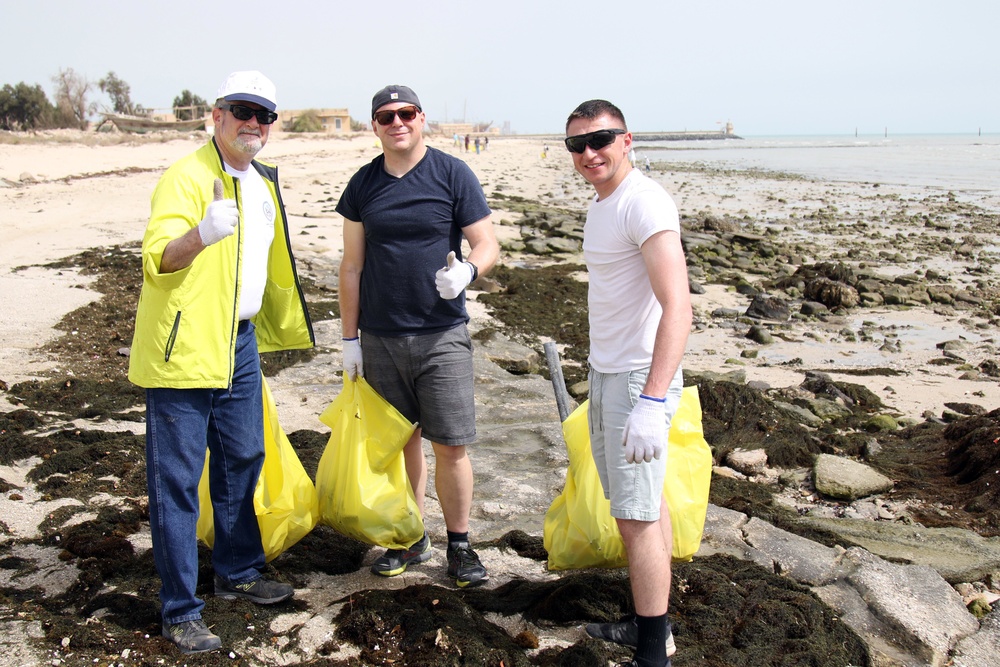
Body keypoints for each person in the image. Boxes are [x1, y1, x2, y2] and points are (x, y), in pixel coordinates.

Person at [128, 70, 314, 654]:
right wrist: (202, 236)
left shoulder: (262, 184)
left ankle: (238, 572)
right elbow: (158, 259)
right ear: (217, 114)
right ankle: (180, 609)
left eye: (265, 115)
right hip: (183, 346)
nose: (253, 123)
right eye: (242, 110)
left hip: (239, 343)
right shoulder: (187, 178)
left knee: (243, 456)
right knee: (177, 480)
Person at [337, 85, 500, 588]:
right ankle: (409, 536)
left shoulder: (452, 173)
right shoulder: (363, 185)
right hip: (381, 337)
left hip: (441, 334)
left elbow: (487, 242)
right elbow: (351, 266)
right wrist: (349, 341)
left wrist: (469, 272)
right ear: (375, 126)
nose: (397, 122)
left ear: (421, 118)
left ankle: (460, 545)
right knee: (398, 443)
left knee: (450, 444)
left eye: (406, 113)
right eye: (386, 116)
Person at [564, 99, 691, 667]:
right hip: (609, 373)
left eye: (601, 140)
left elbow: (678, 306)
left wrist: (652, 400)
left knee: (635, 519)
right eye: (577, 145)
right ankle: (650, 627)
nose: (590, 153)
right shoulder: (603, 205)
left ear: (627, 139)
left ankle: (652, 654)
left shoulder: (644, 201)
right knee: (645, 505)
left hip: (640, 378)